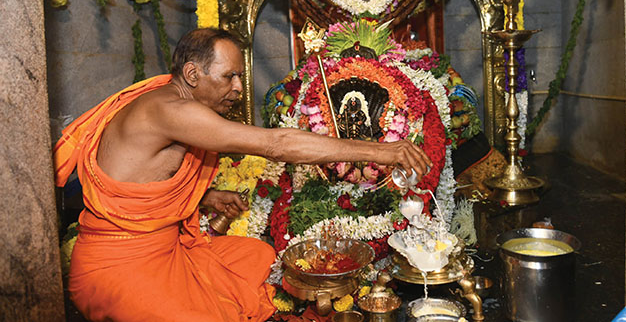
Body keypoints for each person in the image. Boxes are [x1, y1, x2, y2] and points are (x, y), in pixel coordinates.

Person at [54, 28, 431, 322]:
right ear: (192, 74)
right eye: (229, 76)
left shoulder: (173, 100)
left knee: (257, 256)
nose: (238, 87)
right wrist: (383, 151)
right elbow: (277, 145)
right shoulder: (169, 109)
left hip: (167, 249)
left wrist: (205, 197)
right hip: (119, 264)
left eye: (240, 76)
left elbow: (142, 178)